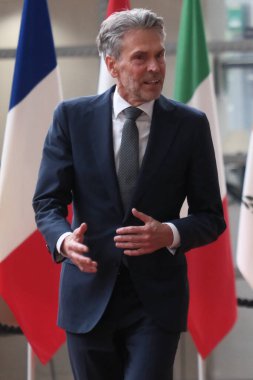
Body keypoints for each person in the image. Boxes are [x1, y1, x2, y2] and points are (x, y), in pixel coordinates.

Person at [33, 8, 226, 380]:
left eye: (160, 54)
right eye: (141, 57)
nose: (155, 67)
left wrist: (168, 233)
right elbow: (47, 202)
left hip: (155, 303)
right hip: (87, 293)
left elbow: (210, 216)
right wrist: (62, 242)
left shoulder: (190, 125)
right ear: (112, 63)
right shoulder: (71, 118)